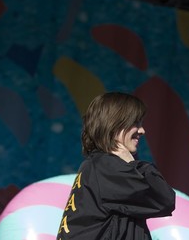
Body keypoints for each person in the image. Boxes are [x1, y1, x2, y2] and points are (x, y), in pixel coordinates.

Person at [57, 92, 175, 240]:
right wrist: (132, 164)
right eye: (136, 123)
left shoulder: (96, 165)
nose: (142, 130)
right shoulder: (107, 167)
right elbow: (163, 200)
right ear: (114, 124)